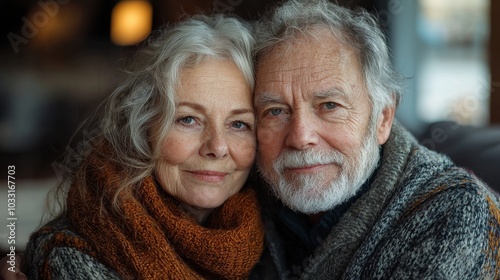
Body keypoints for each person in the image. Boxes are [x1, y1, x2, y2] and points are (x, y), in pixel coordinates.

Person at [3, 13, 264, 280]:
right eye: (188, 119)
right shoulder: (69, 256)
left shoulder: (272, 233)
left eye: (239, 124)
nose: (217, 147)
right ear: (143, 126)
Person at [251, 0, 500, 279]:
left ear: (382, 118)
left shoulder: (455, 212)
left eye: (329, 105)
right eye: (275, 111)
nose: (300, 137)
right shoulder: (247, 201)